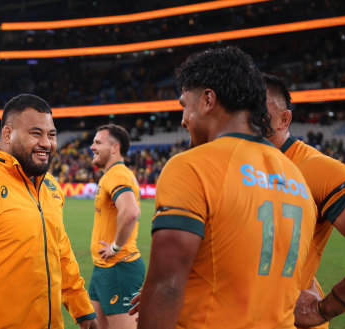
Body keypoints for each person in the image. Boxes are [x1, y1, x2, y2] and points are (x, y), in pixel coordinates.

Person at [136, 46, 317, 328]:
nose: (183, 120)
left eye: (184, 104)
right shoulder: (296, 177)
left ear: (208, 99)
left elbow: (166, 287)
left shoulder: (192, 166)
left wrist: (158, 296)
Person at [0, 94, 98, 329]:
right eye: (35, 133)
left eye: (51, 135)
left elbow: (61, 252)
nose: (47, 143)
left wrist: (83, 310)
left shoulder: (50, 186)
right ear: (8, 134)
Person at [263, 73, 345, 327]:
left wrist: (325, 309)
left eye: (258, 111)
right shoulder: (235, 165)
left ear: (284, 119)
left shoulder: (316, 168)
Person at [88, 124, 144, 328]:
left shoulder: (117, 174)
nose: (92, 147)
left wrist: (115, 247)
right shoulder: (111, 174)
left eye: (97, 142)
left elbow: (130, 212)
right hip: (103, 268)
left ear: (114, 148)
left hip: (119, 268)